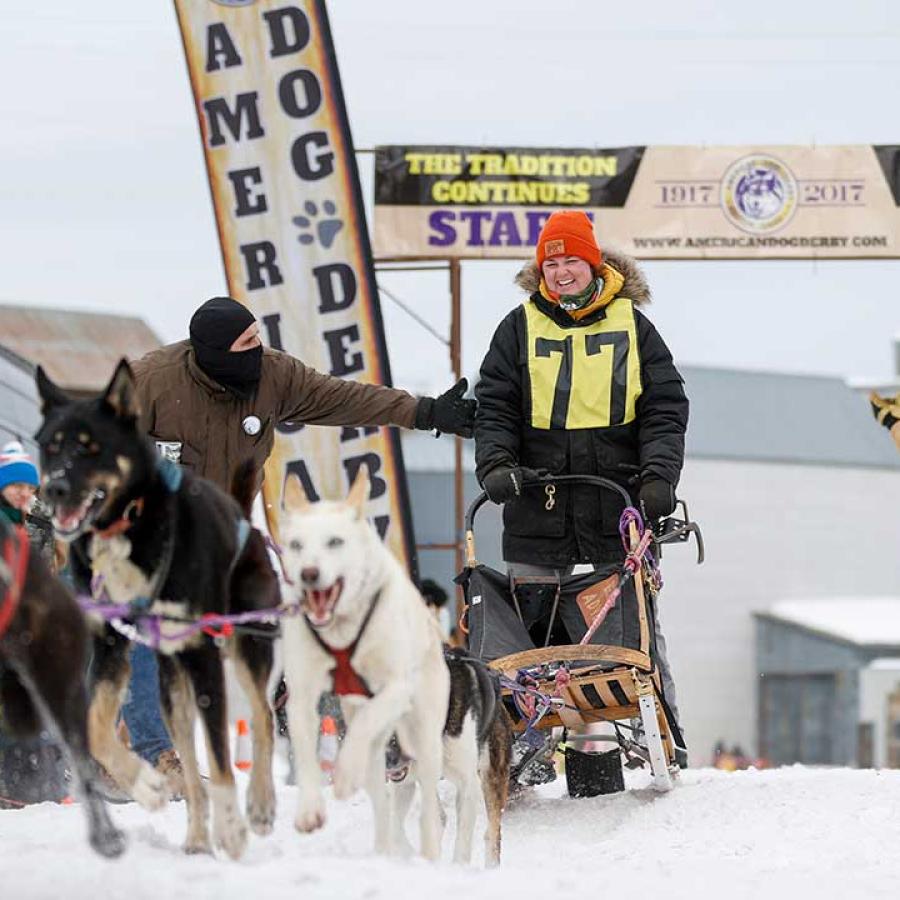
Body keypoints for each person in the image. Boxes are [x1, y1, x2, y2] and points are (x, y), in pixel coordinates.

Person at [119, 296, 476, 783]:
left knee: (289, 615)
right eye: (246, 343)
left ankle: (343, 725)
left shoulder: (273, 376)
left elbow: (342, 398)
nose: (257, 350)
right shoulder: (151, 382)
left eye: (258, 338)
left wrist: (424, 412)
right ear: (213, 352)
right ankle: (154, 752)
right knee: (148, 628)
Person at [474, 210, 689, 743]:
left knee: (631, 624)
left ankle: (658, 731)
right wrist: (496, 464)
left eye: (571, 259)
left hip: (617, 502)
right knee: (530, 631)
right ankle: (526, 742)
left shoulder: (633, 325)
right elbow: (494, 405)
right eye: (552, 262)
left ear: (592, 263)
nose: (562, 271)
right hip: (536, 500)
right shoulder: (518, 327)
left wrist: (659, 476)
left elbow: (664, 406)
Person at [0, 441, 68, 806]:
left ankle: (45, 778)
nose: (23, 493)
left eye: (29, 487)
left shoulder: (42, 521)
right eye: (15, 486)